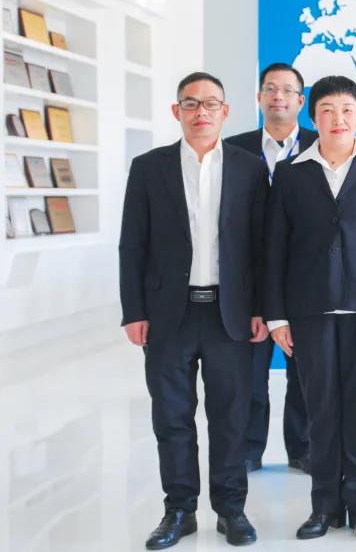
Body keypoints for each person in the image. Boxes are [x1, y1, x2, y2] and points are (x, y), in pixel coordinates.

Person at [120, 72, 268, 549]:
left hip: (231, 313)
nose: (201, 112)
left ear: (226, 111)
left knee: (231, 417)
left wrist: (262, 308)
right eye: (191, 103)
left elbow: (262, 246)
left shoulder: (250, 169)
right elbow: (132, 245)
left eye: (210, 103)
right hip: (169, 315)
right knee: (172, 417)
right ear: (176, 111)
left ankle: (231, 509)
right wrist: (133, 310)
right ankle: (179, 510)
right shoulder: (149, 168)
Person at [265, 76, 356, 542]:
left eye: (347, 109)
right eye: (327, 110)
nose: (338, 118)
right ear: (313, 117)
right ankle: (324, 506)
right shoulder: (290, 173)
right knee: (321, 410)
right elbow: (274, 249)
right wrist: (276, 315)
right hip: (309, 307)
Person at [224, 62, 317, 476]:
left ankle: (303, 446)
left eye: (287, 90)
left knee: (305, 371)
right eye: (270, 89)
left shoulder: (323, 145)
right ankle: (249, 449)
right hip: (249, 279)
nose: (278, 96)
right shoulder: (233, 149)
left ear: (301, 100)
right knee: (249, 372)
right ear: (259, 98)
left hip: (306, 278)